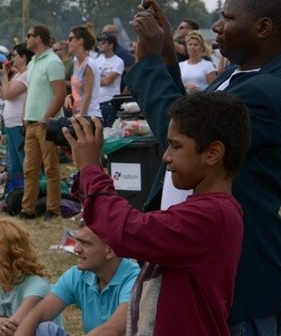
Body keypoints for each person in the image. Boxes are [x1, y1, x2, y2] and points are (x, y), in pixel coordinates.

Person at [125, 0, 281, 335]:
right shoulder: (239, 75)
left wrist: (146, 62)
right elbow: (189, 118)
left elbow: (184, 136)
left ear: (263, 28)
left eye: (226, 17)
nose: (218, 27)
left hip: (239, 284)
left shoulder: (267, 92)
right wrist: (165, 54)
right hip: (207, 260)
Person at [65, 91, 250, 335]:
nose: (166, 156)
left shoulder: (212, 215)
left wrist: (90, 168)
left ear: (213, 153)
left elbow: (126, 230)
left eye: (176, 145)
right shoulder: (205, 209)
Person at [16, 223, 141, 336]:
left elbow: (113, 330)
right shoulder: (77, 275)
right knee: (44, 330)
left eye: (86, 243)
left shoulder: (136, 280)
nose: (76, 249)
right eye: (77, 241)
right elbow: (36, 315)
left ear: (110, 251)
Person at [21, 25, 65, 220]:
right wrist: (25, 115)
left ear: (38, 38)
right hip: (31, 123)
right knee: (29, 170)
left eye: (29, 36)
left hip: (46, 124)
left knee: (51, 169)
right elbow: (31, 93)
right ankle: (27, 209)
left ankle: (53, 209)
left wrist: (46, 118)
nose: (26, 39)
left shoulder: (53, 62)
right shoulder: (32, 63)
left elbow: (60, 95)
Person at [0, 43, 34, 189]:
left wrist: (3, 75)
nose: (11, 58)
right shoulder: (18, 75)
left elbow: (7, 94)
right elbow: (3, 94)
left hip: (20, 125)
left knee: (25, 162)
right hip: (11, 125)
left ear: (24, 57)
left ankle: (31, 193)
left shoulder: (26, 76)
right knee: (14, 165)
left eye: (14, 55)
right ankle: (16, 193)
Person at [65, 24, 102, 118]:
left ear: (80, 41)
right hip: (79, 115)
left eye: (70, 39)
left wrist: (80, 118)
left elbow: (88, 96)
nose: (67, 42)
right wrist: (69, 96)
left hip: (89, 116)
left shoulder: (89, 64)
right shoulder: (76, 62)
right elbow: (79, 91)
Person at [95, 33, 124, 127]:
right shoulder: (97, 60)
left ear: (111, 45)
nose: (100, 45)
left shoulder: (118, 61)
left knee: (109, 132)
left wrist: (93, 81)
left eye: (103, 42)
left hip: (110, 103)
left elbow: (108, 81)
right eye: (99, 42)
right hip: (96, 103)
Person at [179, 30, 217, 94]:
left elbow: (214, 87)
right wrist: (186, 86)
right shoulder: (180, 65)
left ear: (201, 48)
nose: (192, 47)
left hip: (202, 99)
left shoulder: (208, 65)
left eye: (195, 45)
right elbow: (176, 84)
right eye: (190, 44)